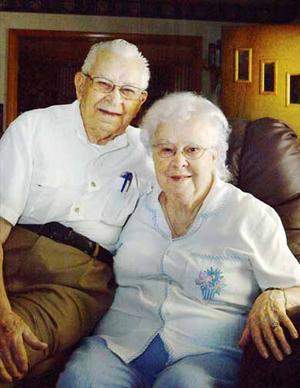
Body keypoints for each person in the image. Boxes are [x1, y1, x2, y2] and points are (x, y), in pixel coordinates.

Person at [58, 92, 300, 388]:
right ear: (152, 155)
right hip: (118, 347)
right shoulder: (132, 205)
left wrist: (277, 295)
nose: (178, 162)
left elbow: (296, 286)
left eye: (193, 150)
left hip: (204, 356)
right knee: (82, 378)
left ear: (215, 154)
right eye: (166, 150)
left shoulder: (250, 217)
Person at [0, 39, 153, 385]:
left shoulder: (150, 156)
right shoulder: (33, 128)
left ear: (141, 101)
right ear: (80, 83)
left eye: (128, 90)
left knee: (7, 354)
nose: (114, 100)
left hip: (75, 282)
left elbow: (208, 197)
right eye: (104, 84)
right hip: (11, 253)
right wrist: (4, 314)